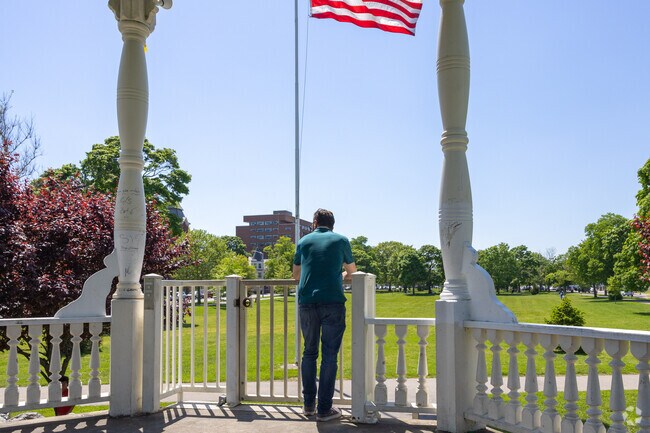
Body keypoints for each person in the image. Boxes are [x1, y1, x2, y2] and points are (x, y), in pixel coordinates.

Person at [292, 208, 357, 422]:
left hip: (307, 302)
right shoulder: (341, 240)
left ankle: (308, 405)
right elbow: (352, 272)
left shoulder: (304, 241)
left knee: (309, 353)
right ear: (333, 224)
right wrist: (340, 275)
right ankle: (324, 409)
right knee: (329, 356)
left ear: (314, 222)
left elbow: (296, 274)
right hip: (333, 302)